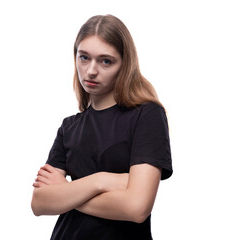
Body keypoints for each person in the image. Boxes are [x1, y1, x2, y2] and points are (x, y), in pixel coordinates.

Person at [31, 14, 173, 240]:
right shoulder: (69, 127)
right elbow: (39, 203)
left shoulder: (147, 115)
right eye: (84, 57)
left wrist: (68, 191)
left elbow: (137, 208)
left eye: (105, 61)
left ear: (124, 64)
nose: (91, 71)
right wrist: (103, 180)